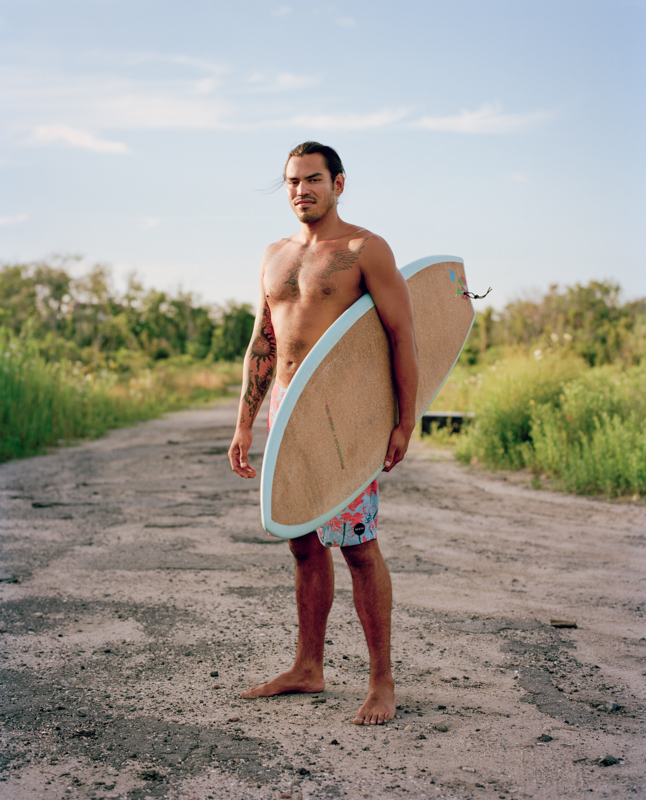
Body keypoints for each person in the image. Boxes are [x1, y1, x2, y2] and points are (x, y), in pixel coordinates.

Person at [228, 141, 418, 725]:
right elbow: (264, 340)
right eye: (291, 181)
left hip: (344, 414)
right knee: (302, 542)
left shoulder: (365, 249)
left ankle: (381, 681)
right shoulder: (274, 255)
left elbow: (402, 336)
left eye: (313, 179)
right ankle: (308, 668)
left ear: (339, 183)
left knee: (358, 546)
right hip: (286, 407)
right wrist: (243, 422)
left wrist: (403, 421)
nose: (300, 190)